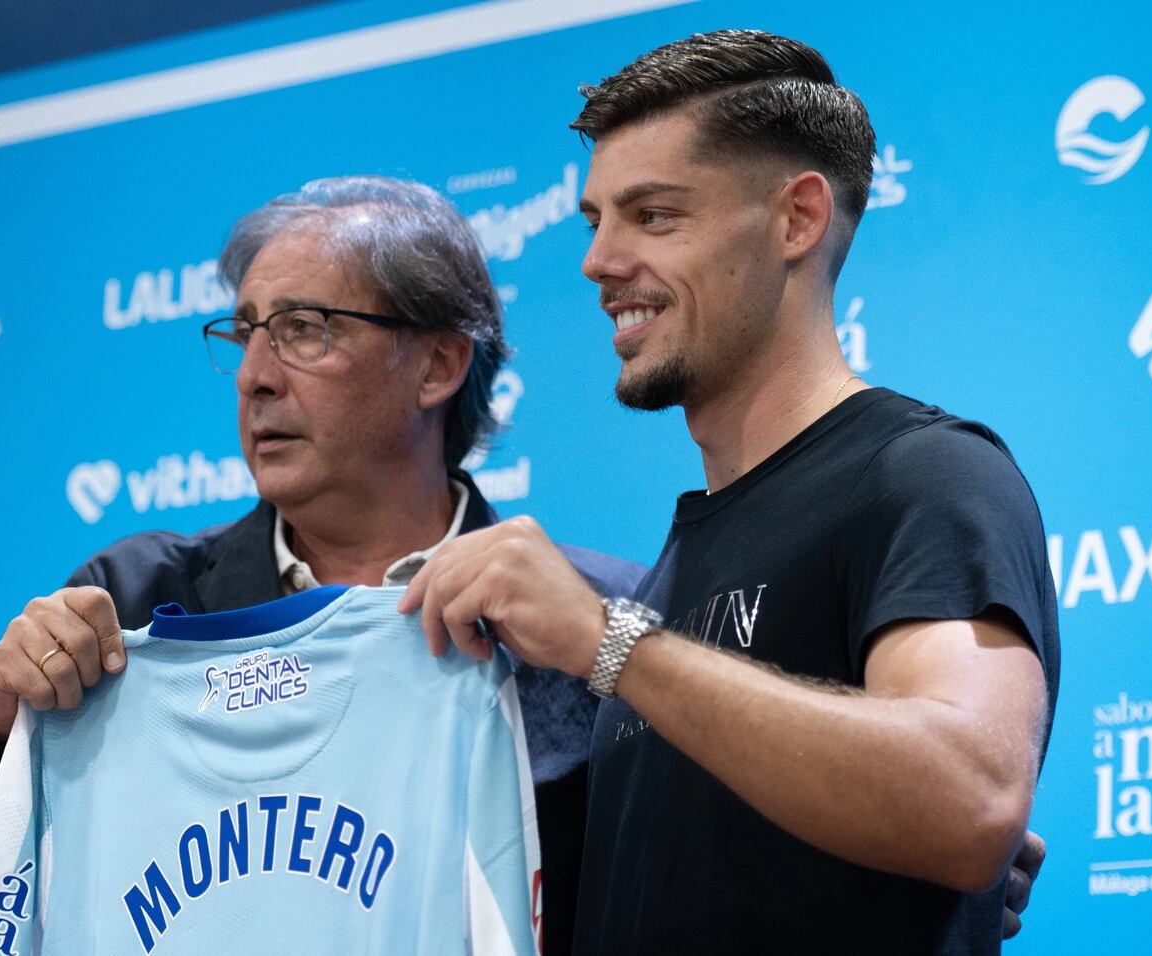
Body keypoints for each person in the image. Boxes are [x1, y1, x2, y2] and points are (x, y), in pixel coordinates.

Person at [0, 176, 643, 956]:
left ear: (437, 365)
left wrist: (611, 650)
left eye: (303, 329)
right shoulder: (133, 605)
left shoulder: (592, 621)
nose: (255, 377)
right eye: (246, 332)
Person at [402, 30, 1061, 954]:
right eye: (595, 219)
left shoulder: (924, 475)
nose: (597, 260)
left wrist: (607, 640)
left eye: (655, 216)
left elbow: (971, 796)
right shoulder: (675, 568)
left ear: (796, 219)